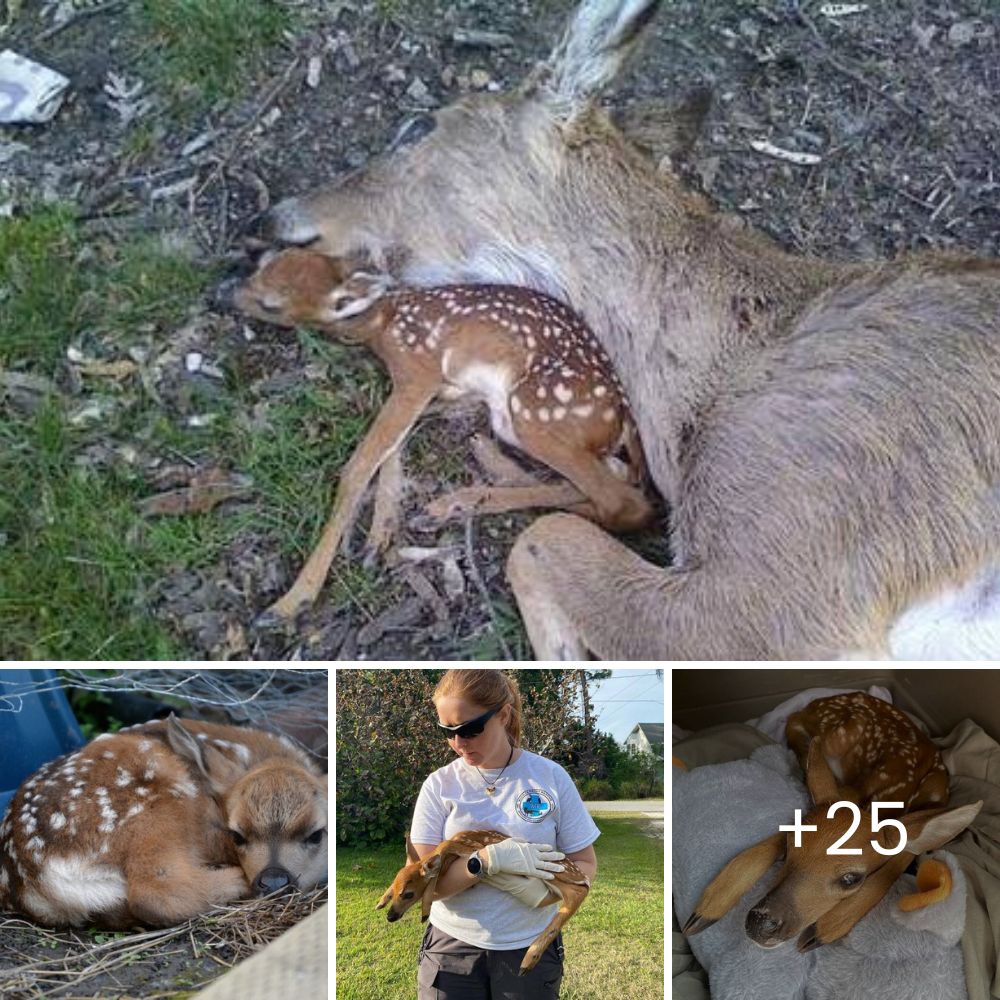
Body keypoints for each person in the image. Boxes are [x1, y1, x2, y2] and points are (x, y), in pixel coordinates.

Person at [410, 669, 600, 999]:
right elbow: (425, 885)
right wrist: (483, 862)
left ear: (504, 714)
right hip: (452, 949)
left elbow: (585, 862)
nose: (459, 743)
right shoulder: (439, 786)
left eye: (470, 729)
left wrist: (547, 894)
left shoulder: (550, 777)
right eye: (448, 731)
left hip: (528, 947)